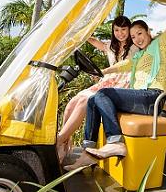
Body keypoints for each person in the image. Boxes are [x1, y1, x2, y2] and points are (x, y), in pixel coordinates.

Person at [66, 0, 166, 170]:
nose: (137, 38)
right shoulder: (139, 56)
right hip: (141, 97)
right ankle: (87, 153)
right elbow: (122, 66)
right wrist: (100, 71)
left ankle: (115, 142)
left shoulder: (160, 45)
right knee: (93, 100)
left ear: (148, 32)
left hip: (153, 98)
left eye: (140, 33)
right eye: (133, 37)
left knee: (103, 93)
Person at [57, 15, 139, 163]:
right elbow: (95, 41)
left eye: (124, 29)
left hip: (121, 83)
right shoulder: (111, 47)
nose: (120, 33)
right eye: (116, 30)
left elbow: (126, 65)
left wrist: (105, 71)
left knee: (84, 100)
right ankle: (64, 143)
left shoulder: (134, 46)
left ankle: (58, 141)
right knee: (71, 104)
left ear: (129, 30)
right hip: (106, 81)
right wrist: (82, 31)